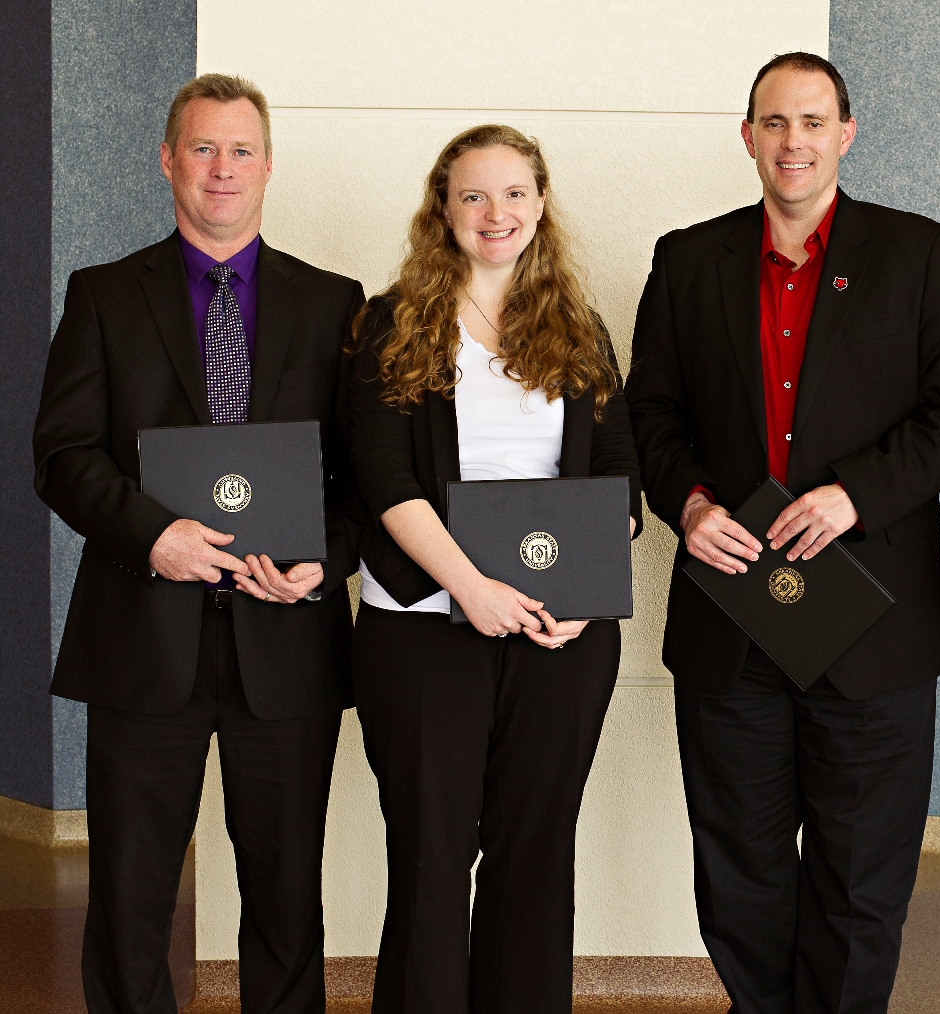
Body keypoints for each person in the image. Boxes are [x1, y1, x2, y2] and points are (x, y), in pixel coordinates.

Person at [625, 53, 940, 1012]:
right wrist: (690, 506)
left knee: (861, 880)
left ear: (846, 133)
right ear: (748, 136)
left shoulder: (918, 253)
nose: (794, 141)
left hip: (873, 623)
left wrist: (854, 497)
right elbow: (649, 417)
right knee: (739, 872)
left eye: (813, 121)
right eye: (775, 122)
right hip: (732, 619)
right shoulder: (687, 259)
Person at [32, 74, 365, 1013]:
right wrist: (155, 536)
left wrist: (323, 559)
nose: (224, 168)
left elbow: (364, 474)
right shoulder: (103, 295)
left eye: (241, 149)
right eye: (204, 148)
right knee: (130, 896)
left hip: (286, 638)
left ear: (269, 165)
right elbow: (62, 455)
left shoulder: (334, 303)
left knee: (286, 896)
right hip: (142, 636)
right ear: (169, 160)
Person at [347, 123, 642, 1014]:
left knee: (535, 854)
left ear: (541, 204)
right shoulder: (393, 322)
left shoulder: (578, 328)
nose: (495, 212)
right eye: (473, 195)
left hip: (561, 635)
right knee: (431, 858)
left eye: (514, 193)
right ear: (443, 209)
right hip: (423, 626)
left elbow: (619, 476)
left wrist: (587, 586)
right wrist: (469, 589)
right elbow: (383, 478)